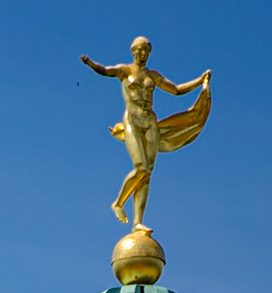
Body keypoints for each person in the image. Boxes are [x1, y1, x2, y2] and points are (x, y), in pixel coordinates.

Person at [80, 37, 211, 230]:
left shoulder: (153, 75)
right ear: (133, 52)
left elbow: (175, 90)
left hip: (150, 122)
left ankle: (138, 222)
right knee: (140, 167)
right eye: (139, 51)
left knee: (147, 174)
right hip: (133, 120)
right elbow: (106, 71)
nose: (142, 55)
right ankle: (118, 203)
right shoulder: (125, 70)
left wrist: (200, 81)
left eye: (146, 52)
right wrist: (90, 63)